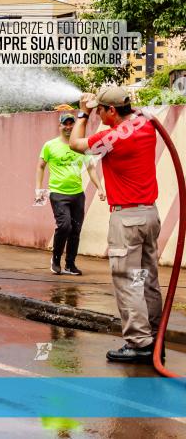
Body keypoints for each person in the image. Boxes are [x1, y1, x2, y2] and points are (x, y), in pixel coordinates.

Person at [68, 87, 162, 364]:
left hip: (127, 219)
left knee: (127, 280)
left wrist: (83, 113)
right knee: (145, 278)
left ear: (111, 111)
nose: (97, 114)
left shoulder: (113, 139)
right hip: (149, 215)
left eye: (100, 110)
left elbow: (76, 143)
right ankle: (153, 336)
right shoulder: (146, 126)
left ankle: (139, 342)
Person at [35, 110, 105, 276]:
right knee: (65, 225)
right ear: (59, 126)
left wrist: (100, 188)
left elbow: (90, 168)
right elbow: (40, 166)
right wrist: (38, 190)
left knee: (76, 230)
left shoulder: (81, 146)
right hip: (58, 193)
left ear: (74, 126)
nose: (68, 126)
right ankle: (56, 259)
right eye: (65, 123)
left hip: (77, 194)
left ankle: (70, 265)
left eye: (71, 123)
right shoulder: (50, 145)